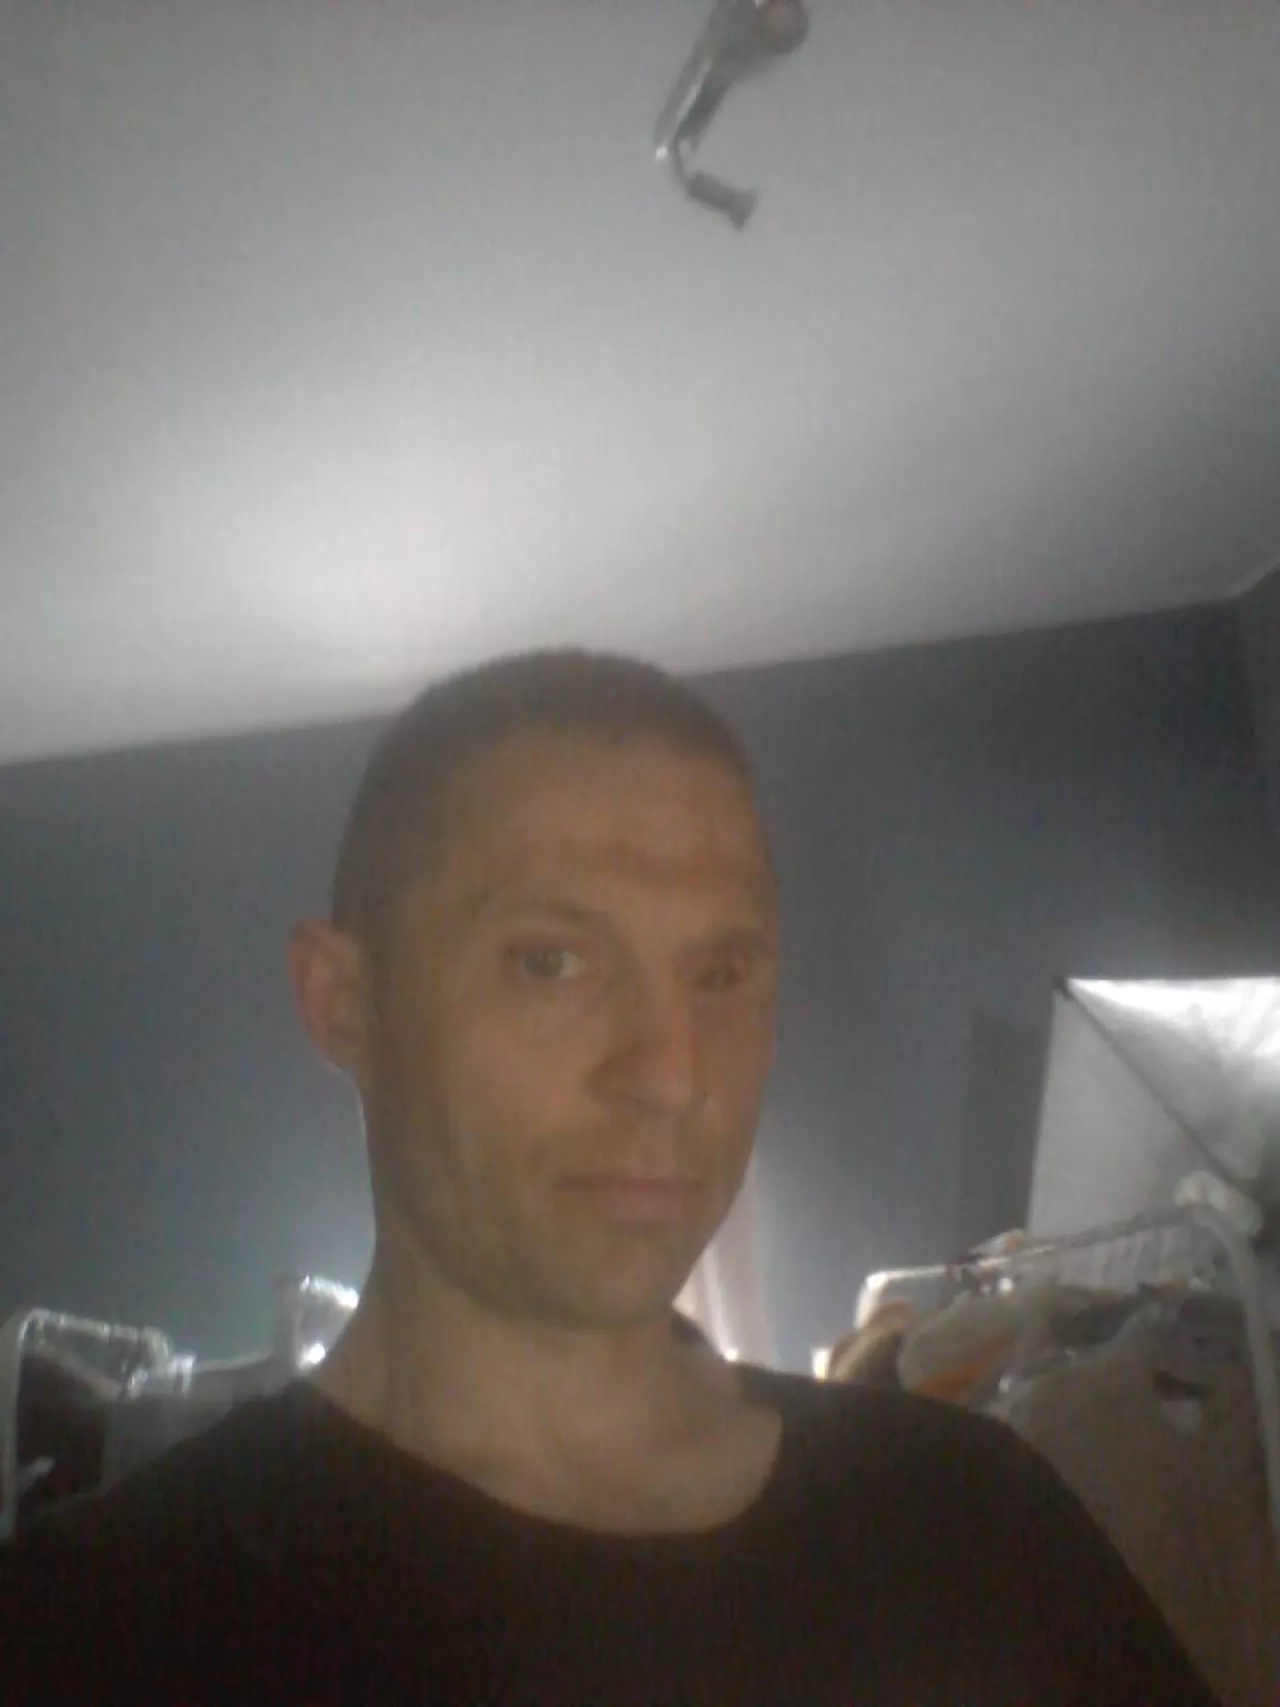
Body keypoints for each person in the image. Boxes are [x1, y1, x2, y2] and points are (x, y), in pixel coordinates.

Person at [1, 650, 1220, 1705]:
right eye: (550, 962)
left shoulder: (971, 1524)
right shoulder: (97, 1626)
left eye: (721, 974)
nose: (671, 1074)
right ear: (344, 1002)